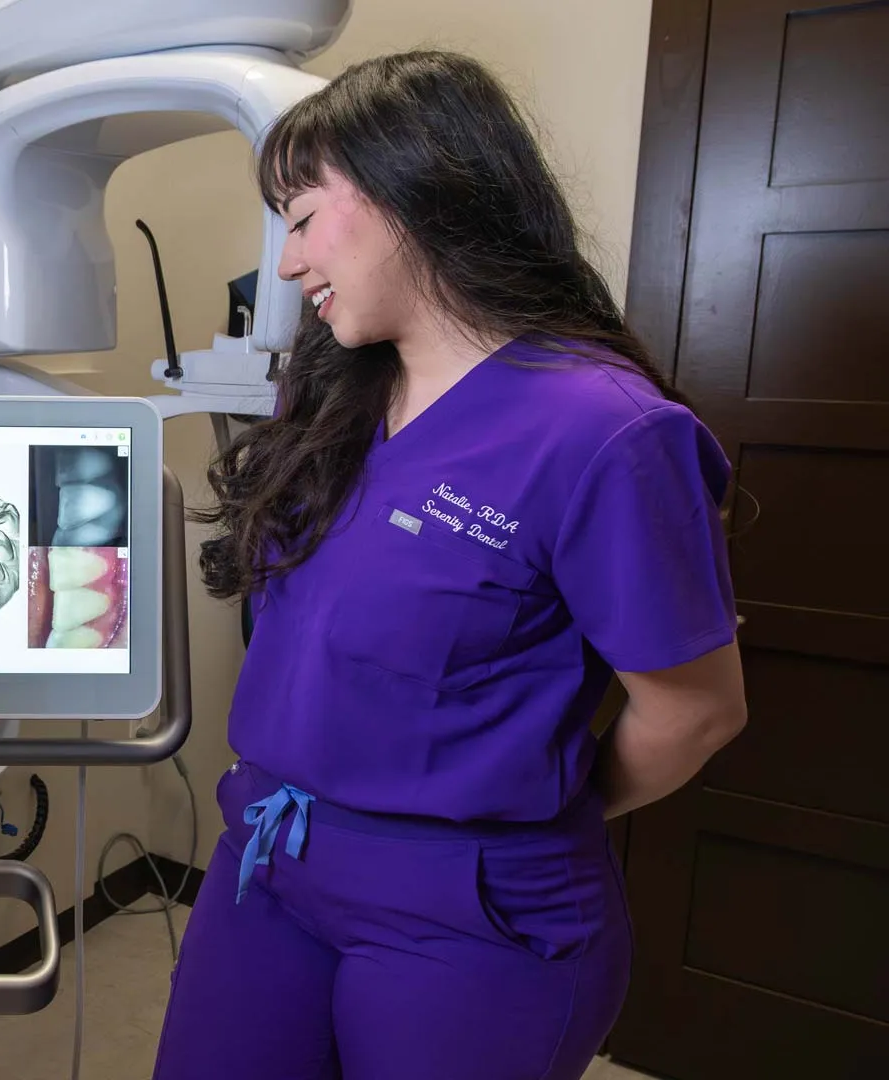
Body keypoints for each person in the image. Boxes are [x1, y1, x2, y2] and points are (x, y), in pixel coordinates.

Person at [155, 52, 747, 1080]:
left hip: (467, 907)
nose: (287, 265)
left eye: (300, 218)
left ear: (410, 186)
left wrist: (539, 807)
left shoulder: (603, 432)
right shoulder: (333, 398)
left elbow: (696, 710)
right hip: (269, 858)